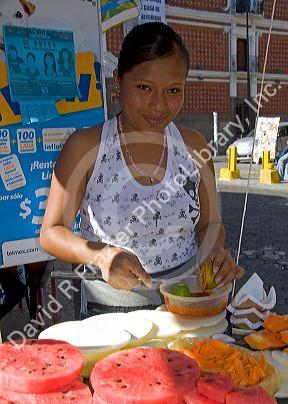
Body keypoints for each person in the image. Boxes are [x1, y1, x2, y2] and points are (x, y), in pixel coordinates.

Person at [40, 22, 244, 315]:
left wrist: (214, 251)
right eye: (144, 87)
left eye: (173, 90)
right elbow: (51, 232)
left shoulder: (195, 147)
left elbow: (210, 223)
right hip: (109, 307)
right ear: (118, 81)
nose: (158, 105)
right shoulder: (85, 148)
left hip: (186, 302)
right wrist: (103, 257)